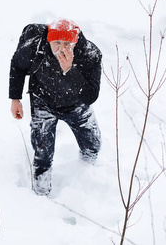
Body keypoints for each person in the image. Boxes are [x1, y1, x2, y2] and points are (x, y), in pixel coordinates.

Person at [9, 18, 102, 196]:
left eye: (67, 43)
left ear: (75, 42)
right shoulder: (35, 47)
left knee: (93, 146)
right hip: (43, 100)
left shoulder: (90, 54)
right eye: (57, 42)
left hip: (76, 104)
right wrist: (15, 98)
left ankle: (89, 174)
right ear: (49, 40)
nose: (61, 48)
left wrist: (70, 70)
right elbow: (17, 64)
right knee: (42, 154)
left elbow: (90, 96)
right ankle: (41, 195)